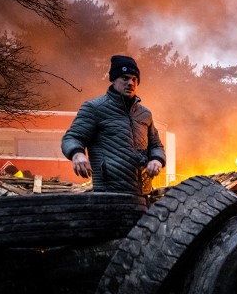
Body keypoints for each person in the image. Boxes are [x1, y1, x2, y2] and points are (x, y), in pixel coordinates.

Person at [62, 55, 165, 194]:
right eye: (125, 78)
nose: (130, 83)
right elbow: (72, 138)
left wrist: (157, 160)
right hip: (108, 193)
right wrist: (77, 154)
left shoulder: (145, 114)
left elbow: (156, 146)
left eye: (134, 79)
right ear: (113, 80)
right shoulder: (94, 108)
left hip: (142, 193)